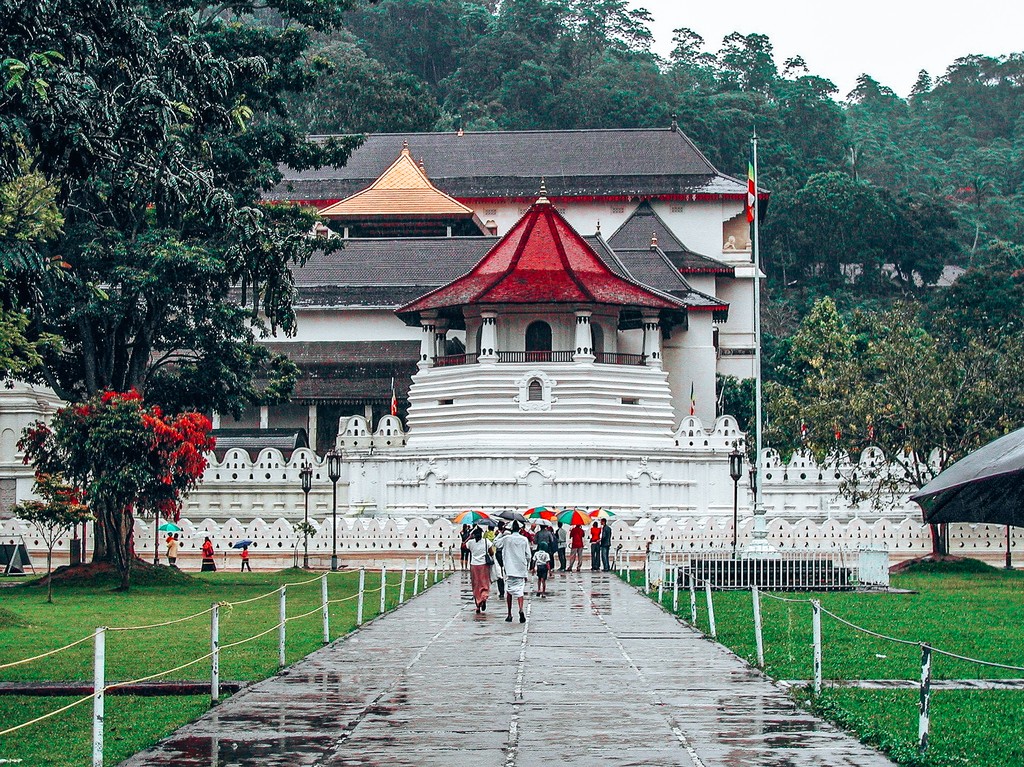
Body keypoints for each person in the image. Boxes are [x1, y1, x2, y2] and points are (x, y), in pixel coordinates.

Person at [496, 521, 530, 623]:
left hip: (510, 569)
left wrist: (501, 532)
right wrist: (526, 567)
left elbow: (496, 543)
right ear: (520, 529)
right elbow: (528, 556)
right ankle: (520, 609)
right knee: (520, 591)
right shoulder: (524, 539)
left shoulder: (506, 538)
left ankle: (509, 614)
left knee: (509, 591)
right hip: (520, 569)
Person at [465, 527, 492, 613]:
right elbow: (491, 552)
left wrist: (469, 537)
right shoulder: (486, 541)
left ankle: (478, 605)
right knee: (484, 583)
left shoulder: (470, 543)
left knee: (475, 585)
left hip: (474, 565)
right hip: (483, 565)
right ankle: (484, 597)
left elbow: (462, 546)